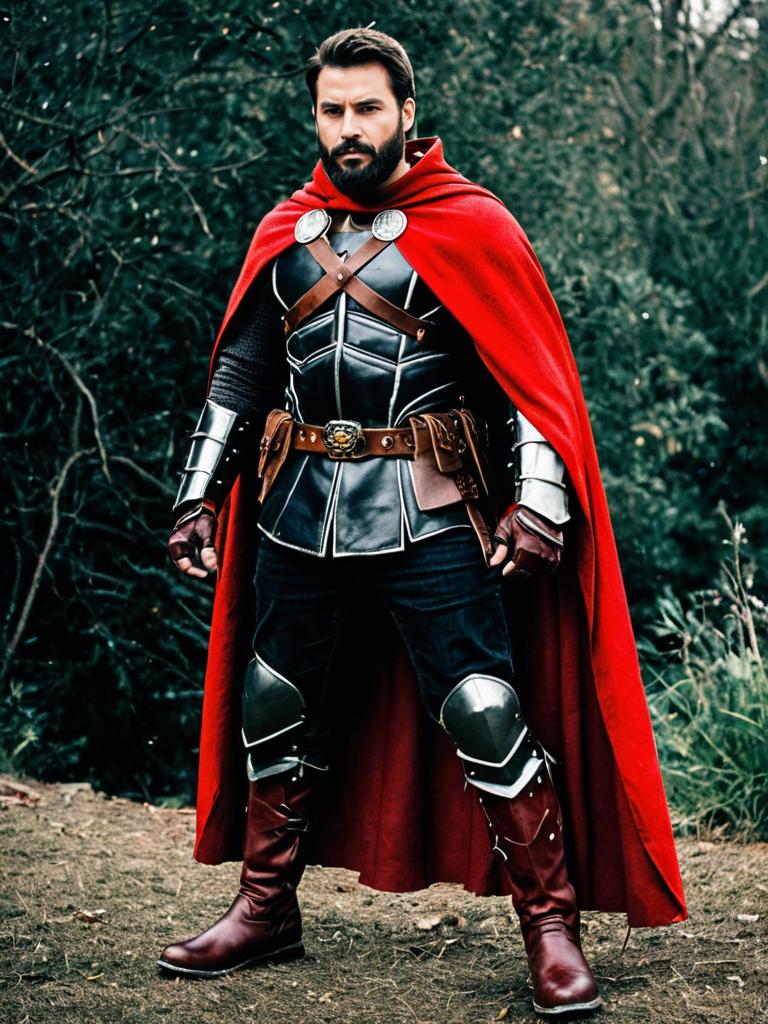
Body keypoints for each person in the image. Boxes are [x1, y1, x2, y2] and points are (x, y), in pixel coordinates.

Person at [158, 27, 687, 1017]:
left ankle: (551, 926)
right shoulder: (289, 227)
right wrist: (197, 490)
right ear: (313, 115)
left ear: (407, 111)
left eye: (366, 108)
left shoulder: (470, 224)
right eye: (332, 110)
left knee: (486, 709)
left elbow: (528, 377)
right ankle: (266, 906)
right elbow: (242, 367)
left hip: (432, 507)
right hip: (298, 507)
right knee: (276, 704)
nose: (349, 128)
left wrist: (538, 499)